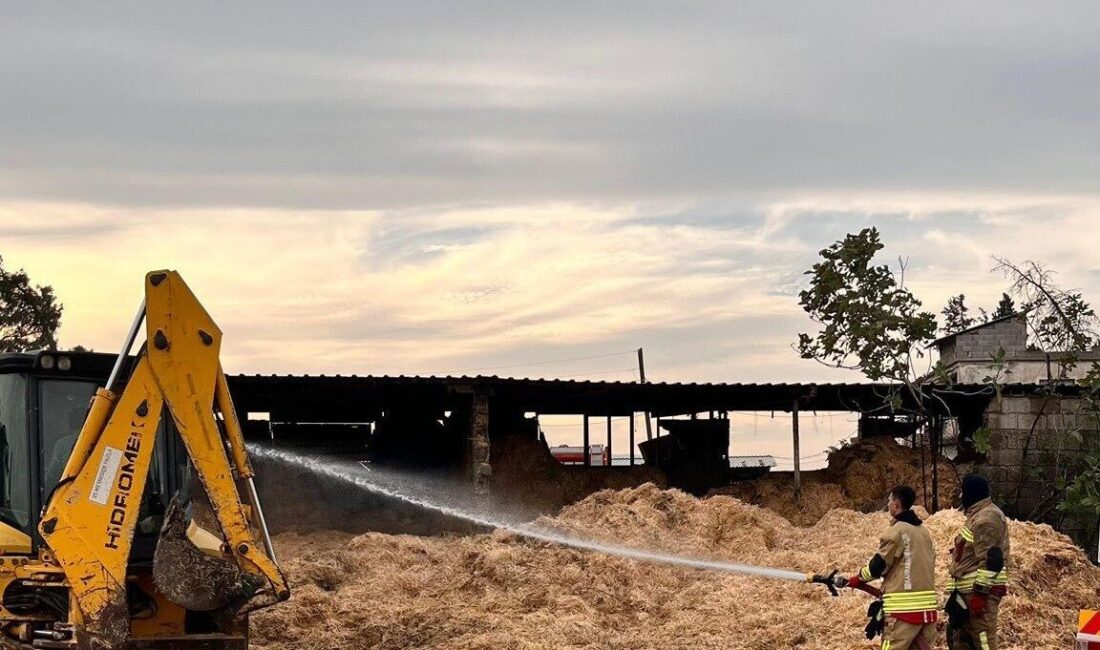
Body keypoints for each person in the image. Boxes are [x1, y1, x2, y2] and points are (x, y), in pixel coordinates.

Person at [846, 485, 938, 650]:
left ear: (896, 505)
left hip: (902, 613)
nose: (887, 504)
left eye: (889, 501)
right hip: (928, 610)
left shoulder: (896, 532)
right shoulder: (924, 532)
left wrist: (858, 578)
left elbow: (878, 566)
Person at [946, 474, 1010, 650]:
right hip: (966, 594)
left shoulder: (986, 519)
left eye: (963, 492)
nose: (960, 497)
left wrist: (980, 595)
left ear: (971, 493)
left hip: (979, 595)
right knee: (960, 640)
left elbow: (991, 561)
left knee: (983, 642)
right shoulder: (978, 516)